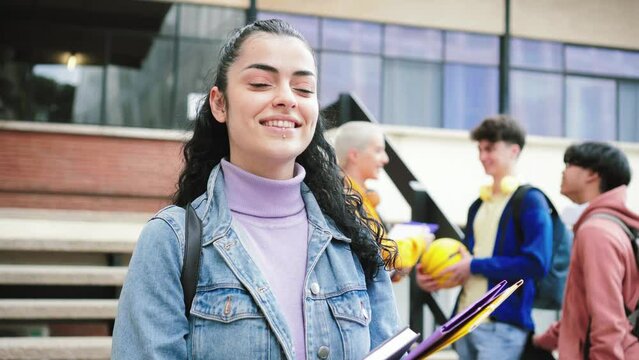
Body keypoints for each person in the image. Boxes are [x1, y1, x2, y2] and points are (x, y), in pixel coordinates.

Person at [112, 19, 400, 360]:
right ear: (219, 104)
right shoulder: (171, 242)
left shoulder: (354, 238)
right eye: (262, 83)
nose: (286, 99)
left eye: (304, 89)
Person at [415, 115, 553, 360]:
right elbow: (466, 261)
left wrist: (474, 265)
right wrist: (436, 278)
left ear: (513, 150)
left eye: (490, 148)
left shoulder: (531, 200)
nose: (482, 156)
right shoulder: (478, 205)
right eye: (480, 149)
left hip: (501, 325)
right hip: (464, 320)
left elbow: (536, 263)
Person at [534, 142, 639, 359]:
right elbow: (582, 310)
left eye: (569, 164)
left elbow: (607, 317)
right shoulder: (617, 226)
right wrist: (543, 340)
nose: (563, 171)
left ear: (592, 174)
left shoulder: (596, 232)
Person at [333, 121, 430, 280]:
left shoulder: (360, 198)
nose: (385, 159)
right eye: (378, 151)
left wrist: (395, 271)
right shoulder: (348, 200)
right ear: (354, 155)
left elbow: (378, 264)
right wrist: (418, 242)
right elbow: (383, 255)